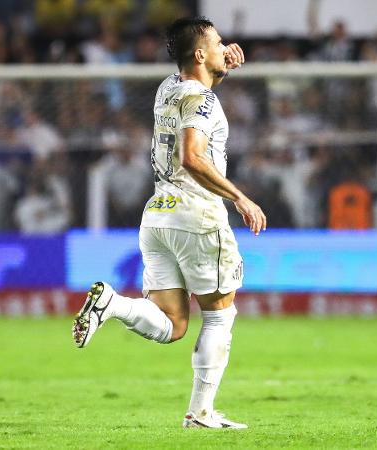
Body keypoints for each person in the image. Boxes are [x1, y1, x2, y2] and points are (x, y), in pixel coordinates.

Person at [72, 16, 267, 429]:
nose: (224, 47)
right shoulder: (205, 101)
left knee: (173, 325)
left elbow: (197, 94)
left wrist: (221, 69)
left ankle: (114, 303)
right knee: (218, 316)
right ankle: (200, 414)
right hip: (198, 216)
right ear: (199, 54)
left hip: (158, 214)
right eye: (216, 43)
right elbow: (193, 157)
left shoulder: (167, 88)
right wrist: (239, 196)